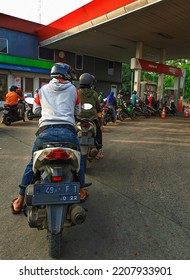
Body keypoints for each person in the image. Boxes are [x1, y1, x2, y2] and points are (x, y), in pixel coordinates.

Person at [11, 63, 90, 214]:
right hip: (68, 133)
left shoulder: (42, 90)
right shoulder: (74, 90)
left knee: (32, 163)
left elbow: (35, 109)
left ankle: (20, 200)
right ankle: (80, 189)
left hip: (45, 133)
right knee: (79, 160)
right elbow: (78, 110)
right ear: (67, 75)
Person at [78, 73, 104, 159]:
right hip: (92, 119)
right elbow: (98, 108)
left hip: (79, 118)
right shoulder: (94, 94)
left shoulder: (77, 92)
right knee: (98, 132)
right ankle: (99, 150)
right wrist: (101, 123)